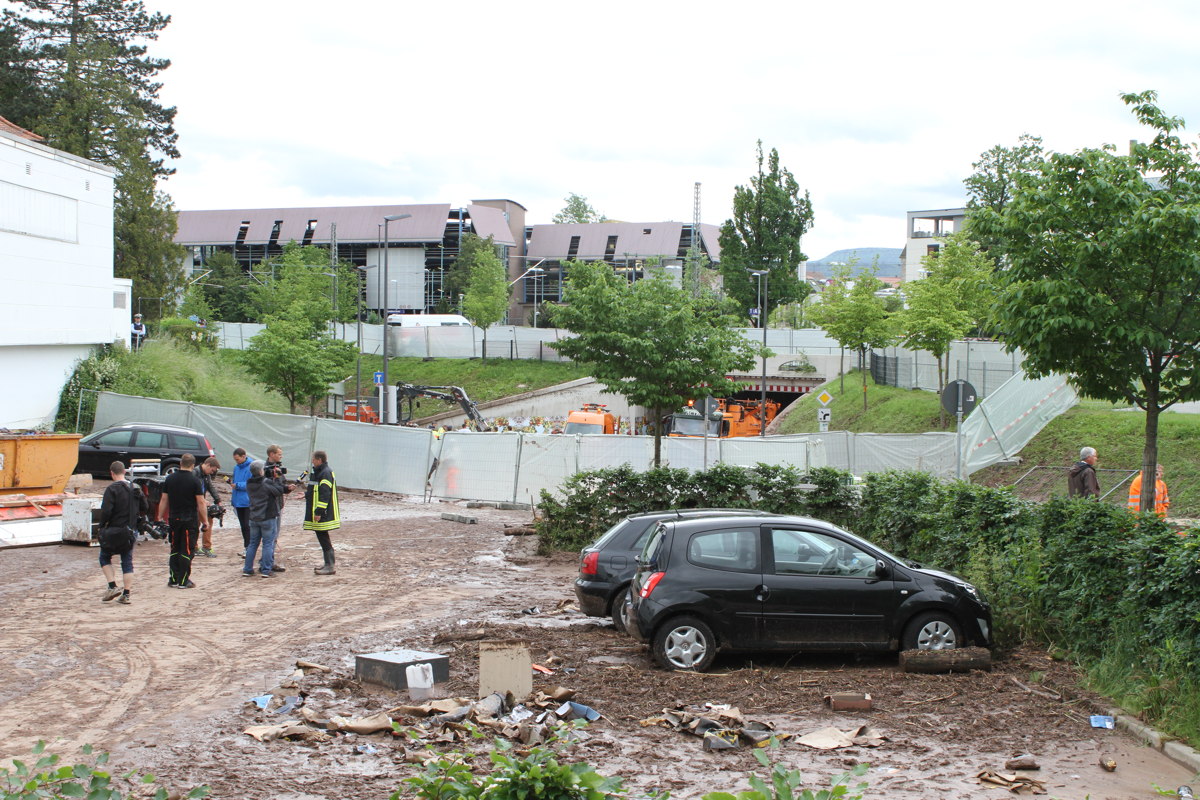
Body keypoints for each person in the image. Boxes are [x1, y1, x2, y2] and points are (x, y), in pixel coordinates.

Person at [98, 460, 147, 604]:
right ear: (124, 472)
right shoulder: (135, 488)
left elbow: (106, 511)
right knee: (127, 561)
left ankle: (112, 585)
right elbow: (145, 506)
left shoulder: (111, 489)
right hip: (130, 531)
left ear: (111, 473)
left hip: (113, 530)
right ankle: (126, 594)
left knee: (104, 557)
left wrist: (101, 527)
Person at [158, 453, 209, 588]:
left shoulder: (170, 478)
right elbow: (201, 502)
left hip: (173, 518)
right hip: (189, 519)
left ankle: (173, 578)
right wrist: (205, 521)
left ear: (180, 463)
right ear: (193, 465)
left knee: (175, 548)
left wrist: (159, 516)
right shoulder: (194, 480)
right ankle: (183, 580)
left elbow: (164, 499)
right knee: (186, 549)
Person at [243, 460, 286, 577]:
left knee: (252, 544)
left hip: (253, 517)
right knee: (267, 544)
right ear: (261, 471)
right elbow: (279, 491)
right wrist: (277, 478)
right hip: (267, 517)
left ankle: (247, 569)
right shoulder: (266, 483)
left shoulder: (249, 483)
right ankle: (266, 570)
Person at [304, 450, 340, 576]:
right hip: (321, 511)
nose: (312, 462)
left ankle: (330, 565)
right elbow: (315, 489)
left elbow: (324, 494)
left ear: (319, 460)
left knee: (323, 537)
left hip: (323, 513)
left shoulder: (325, 473)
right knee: (322, 537)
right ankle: (328, 564)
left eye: (313, 460)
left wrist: (319, 512)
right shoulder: (320, 472)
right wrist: (305, 495)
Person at [263, 444, 293, 572]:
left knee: (273, 535)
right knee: (270, 536)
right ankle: (266, 564)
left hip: (278, 505)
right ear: (271, 454)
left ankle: (268, 560)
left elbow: (282, 484)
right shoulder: (264, 470)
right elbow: (270, 488)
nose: (281, 456)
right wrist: (283, 488)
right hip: (269, 507)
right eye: (279, 454)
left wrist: (287, 488)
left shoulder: (278, 468)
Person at [193, 456, 222, 557]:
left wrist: (218, 500)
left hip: (201, 503)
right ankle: (194, 547)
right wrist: (203, 500)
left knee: (208, 521)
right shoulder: (194, 473)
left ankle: (206, 547)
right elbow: (191, 490)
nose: (212, 473)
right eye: (212, 470)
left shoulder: (206, 475)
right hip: (193, 503)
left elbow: (210, 487)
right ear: (208, 465)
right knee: (195, 525)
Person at [230, 448, 253, 556]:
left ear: (244, 456)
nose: (237, 461)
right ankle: (246, 547)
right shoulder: (236, 468)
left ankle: (249, 548)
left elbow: (252, 484)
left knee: (247, 526)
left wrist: (238, 485)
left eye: (238, 459)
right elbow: (234, 482)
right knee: (243, 526)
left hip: (247, 501)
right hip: (238, 501)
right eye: (235, 459)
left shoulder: (252, 467)